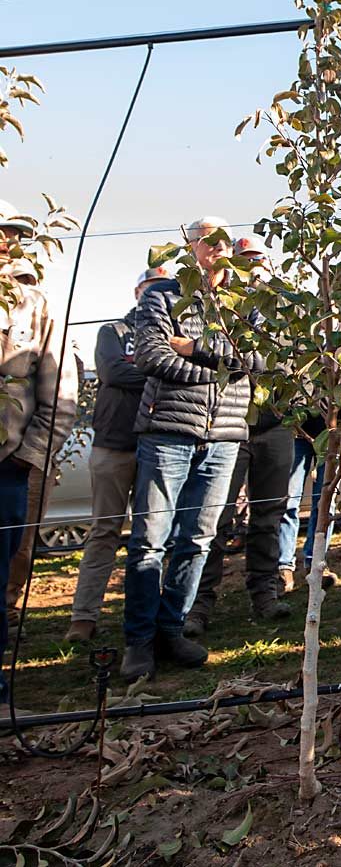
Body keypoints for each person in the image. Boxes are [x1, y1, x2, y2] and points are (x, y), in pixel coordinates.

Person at [120, 217, 262, 681]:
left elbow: (263, 358)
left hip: (224, 435)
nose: (217, 247)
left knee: (199, 539)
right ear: (192, 246)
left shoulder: (249, 303)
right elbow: (151, 356)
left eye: (224, 239)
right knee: (149, 541)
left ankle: (171, 628)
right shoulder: (163, 295)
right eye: (207, 240)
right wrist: (223, 367)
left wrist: (197, 348)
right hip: (167, 431)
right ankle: (138, 641)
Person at [184, 237, 294, 635]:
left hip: (275, 423)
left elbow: (291, 358)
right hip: (230, 424)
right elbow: (222, 356)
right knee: (214, 517)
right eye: (245, 261)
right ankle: (198, 603)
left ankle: (264, 592)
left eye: (259, 260)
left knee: (270, 512)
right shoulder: (223, 309)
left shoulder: (285, 309)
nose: (254, 269)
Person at [64, 267, 172, 642]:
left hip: (158, 444)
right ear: (137, 290)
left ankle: (146, 615)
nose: (155, 294)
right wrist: (167, 371)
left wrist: (160, 368)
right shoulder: (113, 331)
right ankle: (84, 616)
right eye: (150, 287)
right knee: (104, 531)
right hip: (113, 443)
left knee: (153, 535)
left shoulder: (174, 333)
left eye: (163, 287)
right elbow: (112, 373)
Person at [0, 202, 78, 709]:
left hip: (5, 468)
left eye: (8, 233)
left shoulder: (35, 305)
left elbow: (61, 394)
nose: (4, 241)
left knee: (3, 575)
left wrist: (27, 456)